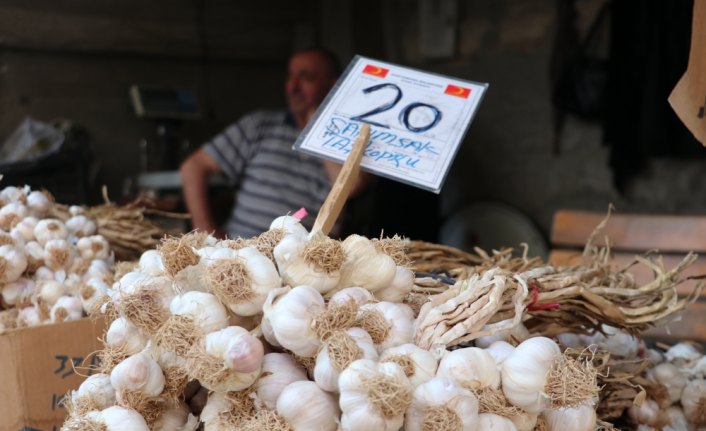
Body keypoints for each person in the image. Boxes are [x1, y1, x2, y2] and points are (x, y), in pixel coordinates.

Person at [180, 47, 349, 239]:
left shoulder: (345, 140)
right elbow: (193, 166)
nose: (293, 87)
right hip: (237, 252)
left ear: (333, 85)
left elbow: (351, 187)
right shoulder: (260, 125)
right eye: (290, 77)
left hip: (302, 261)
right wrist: (205, 233)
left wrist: (318, 129)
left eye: (306, 77)